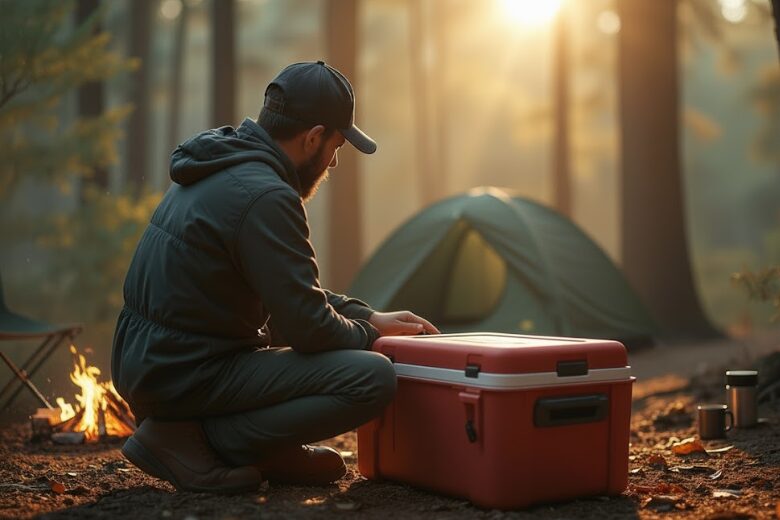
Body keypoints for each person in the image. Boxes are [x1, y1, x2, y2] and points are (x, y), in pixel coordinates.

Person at [112, 60, 439, 494]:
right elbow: (306, 327)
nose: (335, 162)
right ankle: (200, 440)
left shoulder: (220, 165)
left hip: (155, 361)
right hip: (183, 374)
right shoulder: (267, 196)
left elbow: (286, 294)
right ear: (313, 137)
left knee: (346, 355)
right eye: (337, 146)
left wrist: (369, 316)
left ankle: (251, 442)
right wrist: (371, 338)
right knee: (372, 377)